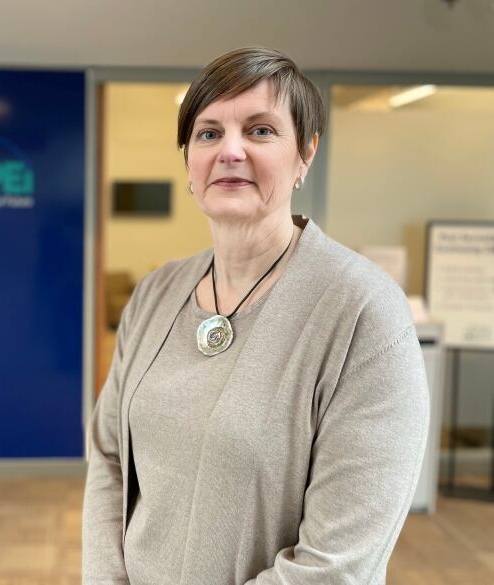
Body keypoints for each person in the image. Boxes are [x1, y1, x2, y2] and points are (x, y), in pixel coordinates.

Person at [82, 47, 429, 585]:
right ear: (189, 162)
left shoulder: (363, 312)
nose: (230, 151)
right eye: (208, 132)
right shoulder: (156, 294)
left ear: (305, 154)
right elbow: (108, 459)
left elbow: (338, 564)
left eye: (261, 130)